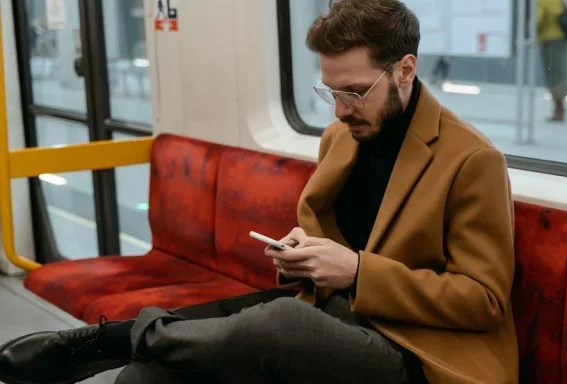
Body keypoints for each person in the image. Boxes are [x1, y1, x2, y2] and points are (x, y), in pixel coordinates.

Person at [0, 0, 517, 383]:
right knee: (146, 378)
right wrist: (301, 256)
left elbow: (484, 300)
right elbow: (332, 246)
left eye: (355, 92)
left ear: (405, 69)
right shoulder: (342, 137)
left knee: (282, 322)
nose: (339, 109)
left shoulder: (471, 160)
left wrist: (358, 270)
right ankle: (133, 347)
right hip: (332, 318)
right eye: (330, 91)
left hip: (415, 351)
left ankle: (111, 339)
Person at [536, 0, 567, 122]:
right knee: (557, 73)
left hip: (551, 41)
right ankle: (560, 108)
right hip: (559, 39)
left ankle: (559, 110)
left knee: (554, 75)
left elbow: (538, 19)